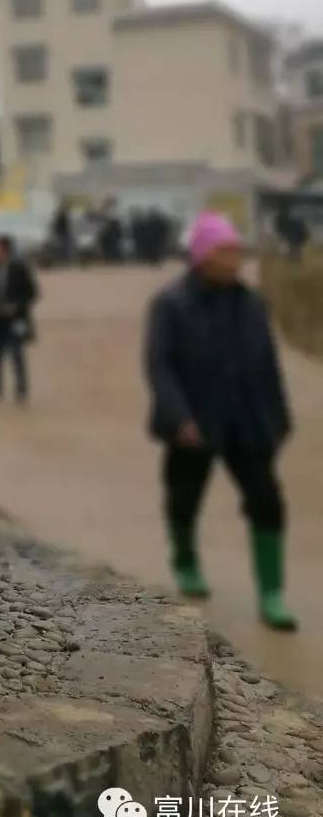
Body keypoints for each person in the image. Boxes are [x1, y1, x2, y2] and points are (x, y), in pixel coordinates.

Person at [144, 212, 296, 631]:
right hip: (194, 425)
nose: (236, 259)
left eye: (237, 251)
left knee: (267, 501)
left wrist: (279, 419)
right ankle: (186, 560)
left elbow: (268, 367)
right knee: (184, 497)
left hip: (248, 422)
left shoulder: (252, 305)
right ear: (204, 257)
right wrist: (179, 418)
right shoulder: (171, 305)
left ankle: (271, 592)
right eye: (227, 251)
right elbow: (160, 367)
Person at [0, 234, 38, 402]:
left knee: (17, 354)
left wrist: (16, 306)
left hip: (16, 319)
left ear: (5, 249)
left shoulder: (19, 267)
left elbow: (32, 293)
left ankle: (21, 390)